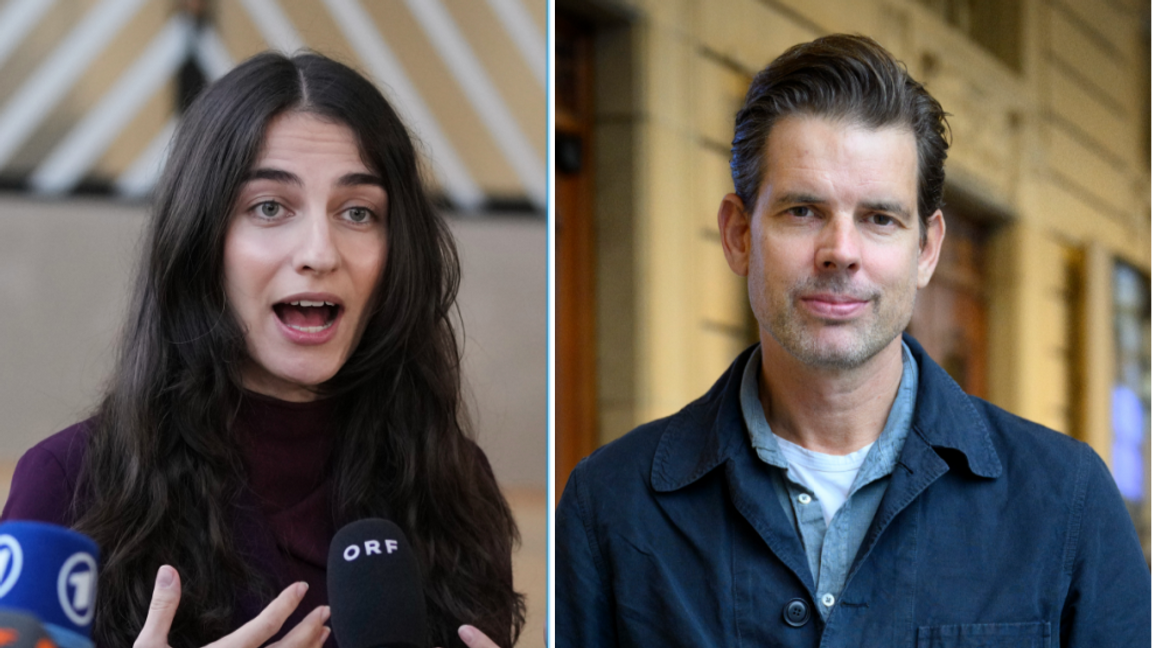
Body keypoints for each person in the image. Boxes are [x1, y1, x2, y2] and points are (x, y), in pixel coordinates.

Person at [556, 34, 1152, 646]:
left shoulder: (1066, 501)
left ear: (926, 249)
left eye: (879, 219)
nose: (841, 252)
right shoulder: (610, 506)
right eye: (803, 211)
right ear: (738, 235)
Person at [2, 52, 523, 648]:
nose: (320, 252)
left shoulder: (455, 488)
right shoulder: (66, 485)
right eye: (270, 207)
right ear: (202, 239)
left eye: (358, 212)